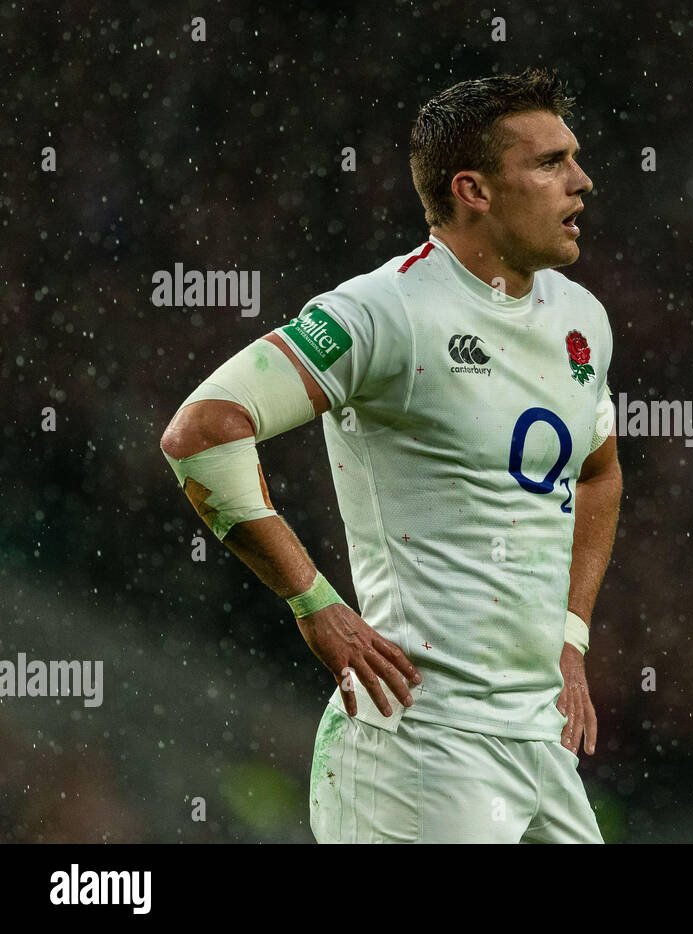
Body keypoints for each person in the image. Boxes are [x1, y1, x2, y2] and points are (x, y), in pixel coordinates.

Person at [159, 67, 620, 843]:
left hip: (540, 739)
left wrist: (570, 639)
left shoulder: (581, 318)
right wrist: (315, 603)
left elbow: (599, 473)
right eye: (549, 163)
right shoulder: (386, 312)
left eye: (572, 157)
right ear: (473, 190)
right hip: (422, 744)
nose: (583, 181)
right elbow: (202, 433)